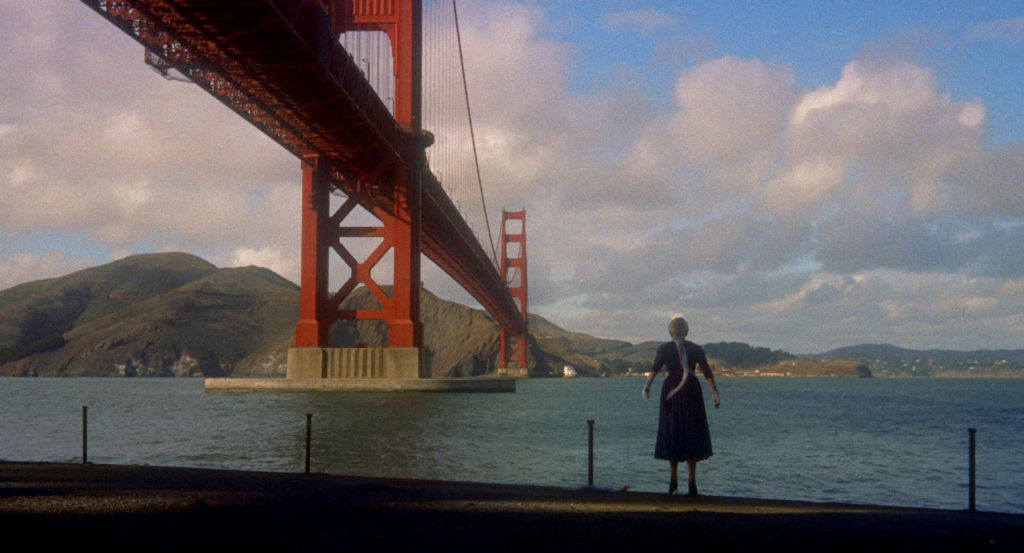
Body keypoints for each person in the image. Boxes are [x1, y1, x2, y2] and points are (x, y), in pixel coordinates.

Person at [642, 316, 720, 496]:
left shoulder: (664, 348)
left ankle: (673, 481)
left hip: (671, 390)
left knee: (673, 430)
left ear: (670, 332)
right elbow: (707, 371)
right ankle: (692, 482)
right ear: (687, 331)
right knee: (692, 431)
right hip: (691, 389)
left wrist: (646, 387)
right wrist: (714, 393)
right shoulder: (695, 348)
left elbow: (654, 369)